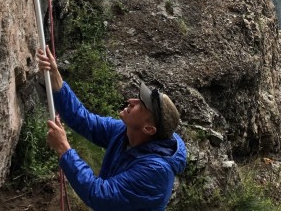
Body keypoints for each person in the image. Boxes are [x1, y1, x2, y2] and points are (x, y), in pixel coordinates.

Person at [36, 46, 187, 210]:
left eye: (141, 105)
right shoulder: (125, 132)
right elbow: (85, 121)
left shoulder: (155, 172)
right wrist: (55, 78)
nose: (131, 101)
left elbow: (99, 195)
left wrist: (64, 149)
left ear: (149, 129)